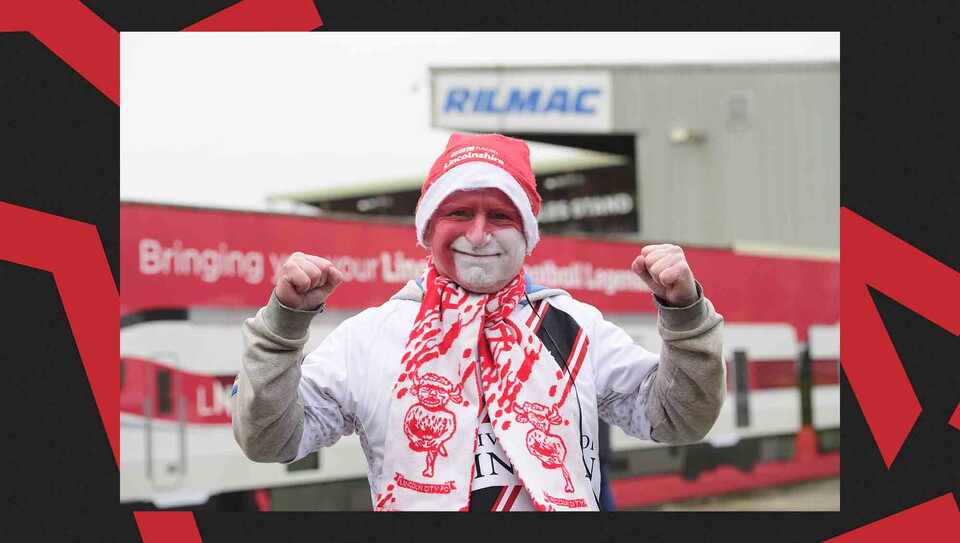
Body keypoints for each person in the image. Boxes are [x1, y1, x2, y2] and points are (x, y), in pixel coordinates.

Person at [231, 133, 725, 511]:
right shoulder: (372, 336)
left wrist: (684, 315)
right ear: (427, 228)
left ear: (528, 234)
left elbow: (678, 420)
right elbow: (271, 441)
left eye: (502, 216)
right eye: (460, 212)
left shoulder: (575, 327)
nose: (480, 234)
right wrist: (284, 325)